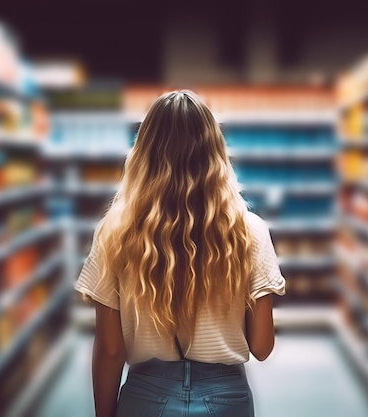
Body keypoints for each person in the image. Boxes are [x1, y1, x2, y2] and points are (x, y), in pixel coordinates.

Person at [75, 90, 285, 417]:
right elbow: (261, 346)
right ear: (214, 152)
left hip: (145, 397)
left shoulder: (115, 232)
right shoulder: (249, 230)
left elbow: (111, 351)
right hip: (225, 399)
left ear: (145, 152)